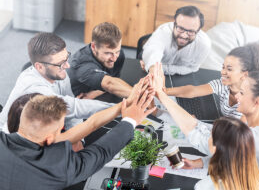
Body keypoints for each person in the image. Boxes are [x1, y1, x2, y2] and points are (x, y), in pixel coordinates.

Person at [152, 63, 259, 190]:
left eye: (242, 93)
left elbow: (204, 139)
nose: (237, 96)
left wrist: (161, 95)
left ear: (257, 103)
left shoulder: (255, 137)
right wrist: (198, 163)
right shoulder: (256, 126)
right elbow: (225, 151)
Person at [0, 84, 156, 190]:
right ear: (49, 138)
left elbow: (90, 124)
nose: (63, 130)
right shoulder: (61, 167)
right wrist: (130, 121)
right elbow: (100, 151)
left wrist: (125, 106)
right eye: (61, 128)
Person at [0, 32, 116, 132]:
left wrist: (78, 139)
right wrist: (121, 108)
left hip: (45, 126)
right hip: (14, 139)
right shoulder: (35, 89)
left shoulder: (59, 73)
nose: (67, 65)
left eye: (67, 58)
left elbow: (71, 106)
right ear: (39, 67)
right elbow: (74, 107)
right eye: (61, 63)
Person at [166, 43, 259, 121]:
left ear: (244, 74)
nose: (223, 72)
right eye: (223, 67)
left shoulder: (248, 102)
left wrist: (196, 124)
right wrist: (164, 91)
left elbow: (236, 134)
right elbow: (193, 90)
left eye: (229, 69)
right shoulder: (223, 84)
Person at [191, 117, 259, 190]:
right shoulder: (255, 173)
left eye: (211, 136)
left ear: (215, 148)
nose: (209, 138)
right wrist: (201, 163)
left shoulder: (204, 186)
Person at [68, 22, 132, 99]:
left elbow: (113, 79)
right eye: (108, 53)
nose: (114, 59)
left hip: (95, 92)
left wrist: (94, 93)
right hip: (75, 100)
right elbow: (109, 83)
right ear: (93, 47)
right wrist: (142, 96)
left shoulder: (118, 55)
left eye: (117, 51)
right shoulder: (83, 65)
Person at [141, 5, 211, 75]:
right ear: (174, 24)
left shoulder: (204, 45)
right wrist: (153, 68)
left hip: (176, 76)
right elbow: (152, 57)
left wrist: (162, 68)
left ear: (198, 31)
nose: (184, 35)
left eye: (191, 31)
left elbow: (192, 68)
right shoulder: (163, 32)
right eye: (180, 28)